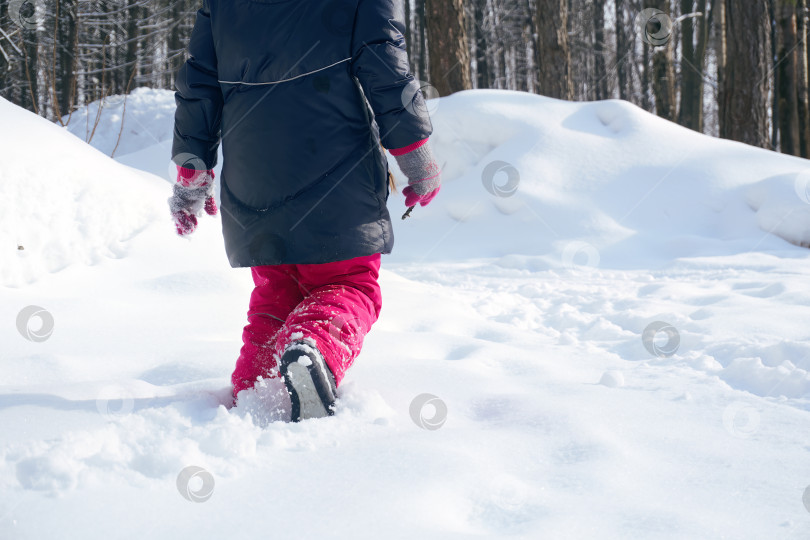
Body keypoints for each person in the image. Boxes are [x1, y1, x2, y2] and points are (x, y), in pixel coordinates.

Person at [168, 0, 441, 421]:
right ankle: (313, 348)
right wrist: (414, 152)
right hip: (335, 171)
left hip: (253, 178)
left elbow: (198, 85)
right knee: (350, 283)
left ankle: (254, 390)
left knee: (277, 295)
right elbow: (385, 64)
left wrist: (192, 172)